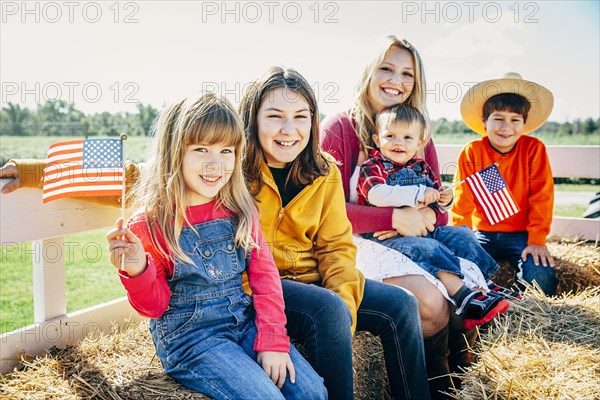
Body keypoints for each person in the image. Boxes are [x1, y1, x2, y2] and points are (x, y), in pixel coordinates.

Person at [104, 93, 327, 399]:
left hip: (242, 321)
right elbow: (153, 307)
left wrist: (273, 340)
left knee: (313, 392)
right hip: (192, 339)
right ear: (174, 152)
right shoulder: (150, 223)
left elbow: (265, 278)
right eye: (201, 149)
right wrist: (136, 268)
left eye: (226, 150)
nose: (215, 163)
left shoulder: (238, 208)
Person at [239, 66, 430, 400]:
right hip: (259, 287)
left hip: (313, 280)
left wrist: (345, 309)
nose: (289, 129)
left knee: (401, 304)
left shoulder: (322, 169)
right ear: (252, 119)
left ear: (313, 122)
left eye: (300, 116)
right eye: (274, 116)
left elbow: (336, 247)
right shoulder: (236, 172)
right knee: (327, 309)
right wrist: (334, 311)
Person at [320, 35, 476, 398]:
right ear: (369, 73)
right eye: (387, 68)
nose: (396, 80)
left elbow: (437, 206)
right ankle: (437, 384)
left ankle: (464, 374)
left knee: (469, 287)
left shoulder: (418, 131)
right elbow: (324, 211)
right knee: (431, 303)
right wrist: (391, 217)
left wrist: (428, 219)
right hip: (355, 242)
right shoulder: (338, 130)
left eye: (408, 74)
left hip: (412, 239)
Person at [357, 103, 513, 330]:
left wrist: (444, 199)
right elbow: (377, 194)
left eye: (407, 137)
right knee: (430, 249)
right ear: (377, 139)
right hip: (387, 237)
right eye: (390, 136)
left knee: (462, 235)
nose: (398, 142)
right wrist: (419, 193)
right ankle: (463, 298)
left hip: (424, 226)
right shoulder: (374, 167)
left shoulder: (422, 167)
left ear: (419, 143)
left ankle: (486, 284)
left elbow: (439, 204)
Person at [452, 72, 558, 296]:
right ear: (484, 122)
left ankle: (523, 311)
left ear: (524, 123)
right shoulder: (473, 152)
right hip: (482, 234)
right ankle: (484, 305)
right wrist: (460, 240)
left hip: (521, 234)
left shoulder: (533, 149)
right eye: (498, 119)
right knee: (460, 273)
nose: (506, 127)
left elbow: (542, 196)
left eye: (515, 120)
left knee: (541, 277)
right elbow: (462, 202)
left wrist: (537, 239)